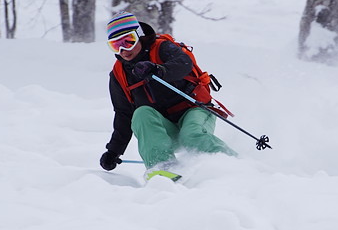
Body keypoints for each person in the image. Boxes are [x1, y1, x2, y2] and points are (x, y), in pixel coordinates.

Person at [99, 11, 236, 178]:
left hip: (195, 109)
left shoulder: (162, 47)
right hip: (164, 128)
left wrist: (158, 69)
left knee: (191, 135)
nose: (123, 50)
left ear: (139, 35)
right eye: (115, 45)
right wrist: (114, 151)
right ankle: (164, 168)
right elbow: (124, 114)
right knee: (141, 113)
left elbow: (184, 63)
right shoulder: (119, 74)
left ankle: (233, 165)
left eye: (129, 41)